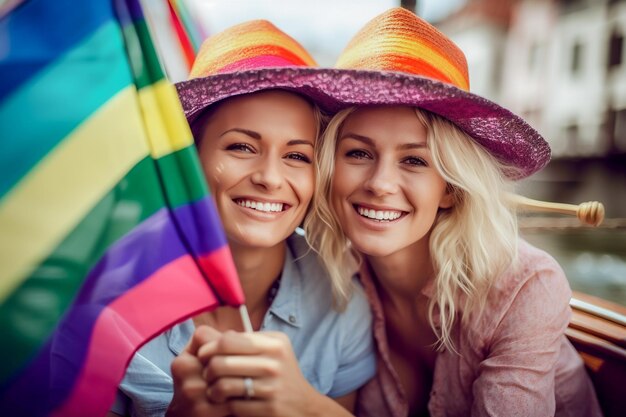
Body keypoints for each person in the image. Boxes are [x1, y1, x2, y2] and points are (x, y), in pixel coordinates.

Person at [304, 8, 603, 417]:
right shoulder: (328, 268)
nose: (379, 183)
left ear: (450, 189)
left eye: (414, 161)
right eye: (358, 153)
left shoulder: (526, 286)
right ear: (329, 168)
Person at [107, 20, 376, 417]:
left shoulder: (340, 302)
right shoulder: (110, 306)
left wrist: (306, 406)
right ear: (190, 158)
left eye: (297, 156)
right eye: (242, 147)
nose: (269, 177)